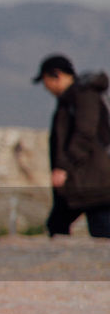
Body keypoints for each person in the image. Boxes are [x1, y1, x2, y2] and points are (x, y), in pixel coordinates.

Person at [34, 54, 110, 237]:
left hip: (92, 180)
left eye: (45, 81)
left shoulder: (84, 95)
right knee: (58, 224)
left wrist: (63, 166)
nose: (46, 88)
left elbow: (85, 133)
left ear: (56, 75)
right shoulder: (71, 98)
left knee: (102, 231)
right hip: (80, 180)